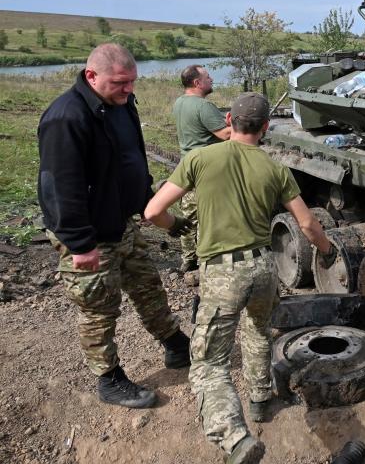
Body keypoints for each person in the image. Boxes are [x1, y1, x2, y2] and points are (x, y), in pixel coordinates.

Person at [145, 92, 331, 464]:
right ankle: (261, 400)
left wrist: (177, 227)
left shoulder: (199, 158)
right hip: (264, 267)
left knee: (211, 361)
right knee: (259, 331)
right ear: (265, 128)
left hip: (222, 272)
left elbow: (153, 211)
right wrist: (326, 251)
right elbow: (308, 223)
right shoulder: (275, 169)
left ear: (229, 120)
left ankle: (234, 439)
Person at [37, 43, 192, 410]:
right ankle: (108, 378)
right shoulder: (67, 117)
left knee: (147, 285)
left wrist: (144, 201)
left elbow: (131, 158)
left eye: (133, 82)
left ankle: (174, 343)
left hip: (121, 223)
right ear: (92, 76)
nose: (129, 89)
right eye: (121, 82)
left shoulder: (121, 106)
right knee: (99, 306)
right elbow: (59, 187)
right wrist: (80, 245)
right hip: (88, 235)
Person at [172, 64, 231, 273]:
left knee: (189, 216)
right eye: (207, 77)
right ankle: (210, 260)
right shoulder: (203, 106)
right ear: (197, 83)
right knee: (210, 217)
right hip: (206, 169)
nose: (212, 79)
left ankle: (188, 260)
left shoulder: (179, 103)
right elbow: (225, 134)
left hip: (187, 165)